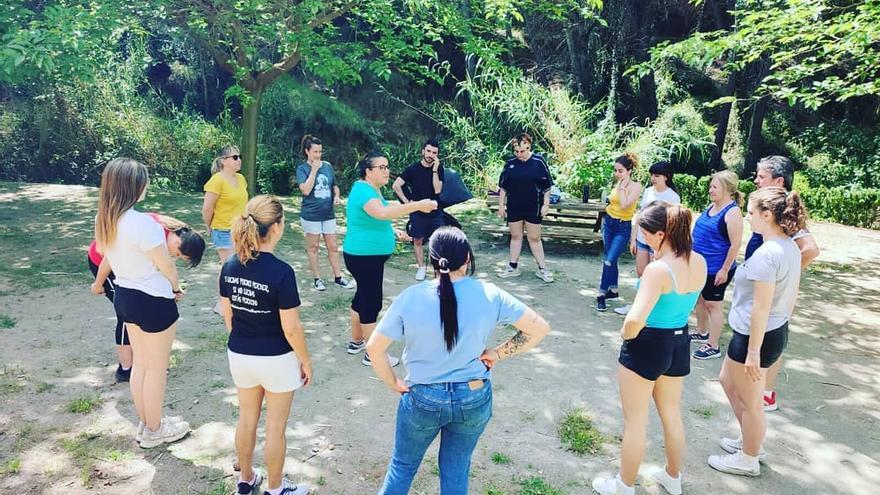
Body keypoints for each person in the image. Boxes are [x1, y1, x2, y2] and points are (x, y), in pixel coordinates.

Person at [366, 226, 550, 495]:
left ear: (431, 260)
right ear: (467, 258)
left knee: (402, 466)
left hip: (422, 397)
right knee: (456, 468)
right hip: (473, 395)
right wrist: (497, 354)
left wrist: (393, 382)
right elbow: (539, 328)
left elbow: (374, 347)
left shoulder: (411, 297)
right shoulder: (490, 294)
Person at [592, 202, 707, 495]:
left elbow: (634, 319)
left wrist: (627, 336)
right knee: (671, 413)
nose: (642, 239)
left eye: (644, 234)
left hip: (648, 343)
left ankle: (624, 485)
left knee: (635, 421)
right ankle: (672, 476)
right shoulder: (700, 262)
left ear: (660, 234)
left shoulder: (658, 269)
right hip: (679, 341)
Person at [707, 187, 807, 477]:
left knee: (752, 404)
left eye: (751, 213)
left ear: (767, 215)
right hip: (767, 331)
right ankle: (750, 440)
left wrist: (753, 351)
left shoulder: (768, 255)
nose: (748, 218)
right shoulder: (788, 246)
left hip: (757, 336)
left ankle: (749, 456)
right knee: (727, 379)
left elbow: (761, 308)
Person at [94, 158, 190, 448]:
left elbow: (107, 257)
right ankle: (155, 428)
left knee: (141, 366)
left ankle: (147, 423)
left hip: (125, 297)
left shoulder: (106, 220)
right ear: (135, 186)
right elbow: (167, 266)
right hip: (153, 301)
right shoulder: (142, 224)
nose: (147, 184)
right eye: (144, 180)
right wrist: (175, 287)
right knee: (156, 368)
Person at [220, 195, 312, 495]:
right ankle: (275, 488)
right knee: (275, 428)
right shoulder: (282, 272)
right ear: (277, 227)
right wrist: (305, 360)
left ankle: (245, 480)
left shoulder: (230, 264)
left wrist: (245, 337)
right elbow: (291, 327)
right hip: (276, 359)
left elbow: (228, 314)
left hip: (240, 354)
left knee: (246, 419)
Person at [342, 151, 437, 366]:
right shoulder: (364, 192)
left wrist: (393, 232)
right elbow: (381, 213)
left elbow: (379, 214)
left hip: (366, 254)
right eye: (381, 167)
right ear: (368, 171)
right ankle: (372, 353)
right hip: (364, 256)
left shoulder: (370, 189)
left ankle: (357, 341)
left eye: (387, 166)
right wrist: (417, 205)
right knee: (371, 302)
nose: (386, 171)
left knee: (362, 296)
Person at [89, 213, 205, 382]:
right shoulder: (153, 231)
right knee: (126, 313)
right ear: (179, 241)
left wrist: (171, 289)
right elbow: (109, 256)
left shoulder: (172, 232)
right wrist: (98, 284)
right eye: (178, 255)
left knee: (134, 311)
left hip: (125, 266)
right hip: (104, 262)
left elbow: (156, 267)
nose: (175, 257)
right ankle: (126, 368)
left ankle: (142, 362)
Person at [746, 156, 819, 411]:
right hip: (765, 289)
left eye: (761, 176)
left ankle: (765, 393)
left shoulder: (783, 213)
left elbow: (810, 249)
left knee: (771, 337)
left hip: (772, 300)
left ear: (778, 181)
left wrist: (782, 276)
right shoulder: (768, 207)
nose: (756, 180)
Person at [690, 170, 744, 360]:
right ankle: (701, 331)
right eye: (710, 186)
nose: (710, 190)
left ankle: (713, 345)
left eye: (714, 187)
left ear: (727, 189)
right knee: (700, 300)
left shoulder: (732, 212)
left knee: (713, 305)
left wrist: (724, 269)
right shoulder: (712, 206)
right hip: (701, 266)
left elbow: (735, 244)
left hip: (717, 269)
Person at [615, 161, 681, 315]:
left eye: (657, 175)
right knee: (641, 272)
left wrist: (663, 247)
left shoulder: (673, 197)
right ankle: (637, 306)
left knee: (654, 276)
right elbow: (640, 215)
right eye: (652, 175)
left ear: (667, 177)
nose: (653, 178)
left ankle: (651, 309)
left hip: (658, 242)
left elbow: (673, 223)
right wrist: (633, 238)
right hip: (641, 238)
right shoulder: (648, 191)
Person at [295, 135, 353, 291]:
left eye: (320, 151)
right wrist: (313, 170)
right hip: (311, 215)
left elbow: (335, 185)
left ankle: (338, 277)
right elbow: (306, 190)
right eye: (315, 151)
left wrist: (337, 196)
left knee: (333, 247)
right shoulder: (302, 169)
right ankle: (317, 279)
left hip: (328, 214)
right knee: (313, 247)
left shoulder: (327, 166)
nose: (318, 155)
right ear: (307, 151)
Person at [496, 133, 554, 283]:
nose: (519, 154)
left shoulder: (539, 162)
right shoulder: (510, 163)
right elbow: (503, 187)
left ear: (529, 147)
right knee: (515, 236)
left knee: (534, 238)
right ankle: (513, 266)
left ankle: (542, 269)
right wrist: (501, 205)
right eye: (516, 151)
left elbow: (547, 188)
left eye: (523, 151)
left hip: (533, 206)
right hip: (514, 205)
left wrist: (546, 205)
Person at [203, 145, 249, 314]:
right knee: (228, 267)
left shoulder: (241, 179)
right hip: (223, 230)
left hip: (242, 230)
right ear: (223, 161)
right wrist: (209, 226)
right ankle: (222, 303)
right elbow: (207, 208)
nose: (239, 160)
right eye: (235, 157)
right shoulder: (217, 180)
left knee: (243, 265)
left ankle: (237, 300)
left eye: (240, 156)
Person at [391, 139, 444, 281]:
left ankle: (438, 270)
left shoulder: (439, 169)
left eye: (434, 153)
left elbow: (438, 190)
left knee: (438, 240)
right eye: (428, 151)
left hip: (435, 210)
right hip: (417, 210)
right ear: (423, 151)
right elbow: (396, 185)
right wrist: (408, 203)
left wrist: (434, 170)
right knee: (417, 240)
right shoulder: (413, 169)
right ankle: (421, 267)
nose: (430, 155)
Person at [597, 153, 643, 311]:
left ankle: (601, 294)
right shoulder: (618, 185)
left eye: (620, 171)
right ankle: (613, 290)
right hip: (609, 223)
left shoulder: (635, 187)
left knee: (608, 260)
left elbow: (624, 205)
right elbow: (612, 201)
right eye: (615, 170)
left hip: (623, 227)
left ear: (629, 170)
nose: (617, 174)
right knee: (611, 258)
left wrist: (623, 188)